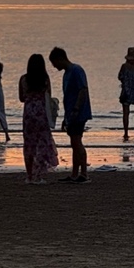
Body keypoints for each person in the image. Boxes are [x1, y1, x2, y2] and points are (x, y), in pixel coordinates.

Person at [49, 47, 91, 181]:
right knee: (74, 142)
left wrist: (76, 109)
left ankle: (84, 174)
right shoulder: (67, 73)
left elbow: (83, 90)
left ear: (60, 59)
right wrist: (66, 117)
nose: (54, 66)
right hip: (71, 113)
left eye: (55, 62)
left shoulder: (76, 70)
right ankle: (74, 174)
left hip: (78, 112)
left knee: (77, 142)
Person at [19, 53, 58, 182]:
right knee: (42, 143)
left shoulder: (24, 79)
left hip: (29, 113)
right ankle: (39, 175)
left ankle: (29, 175)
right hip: (41, 112)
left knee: (29, 144)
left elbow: (21, 98)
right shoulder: (45, 79)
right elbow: (49, 96)